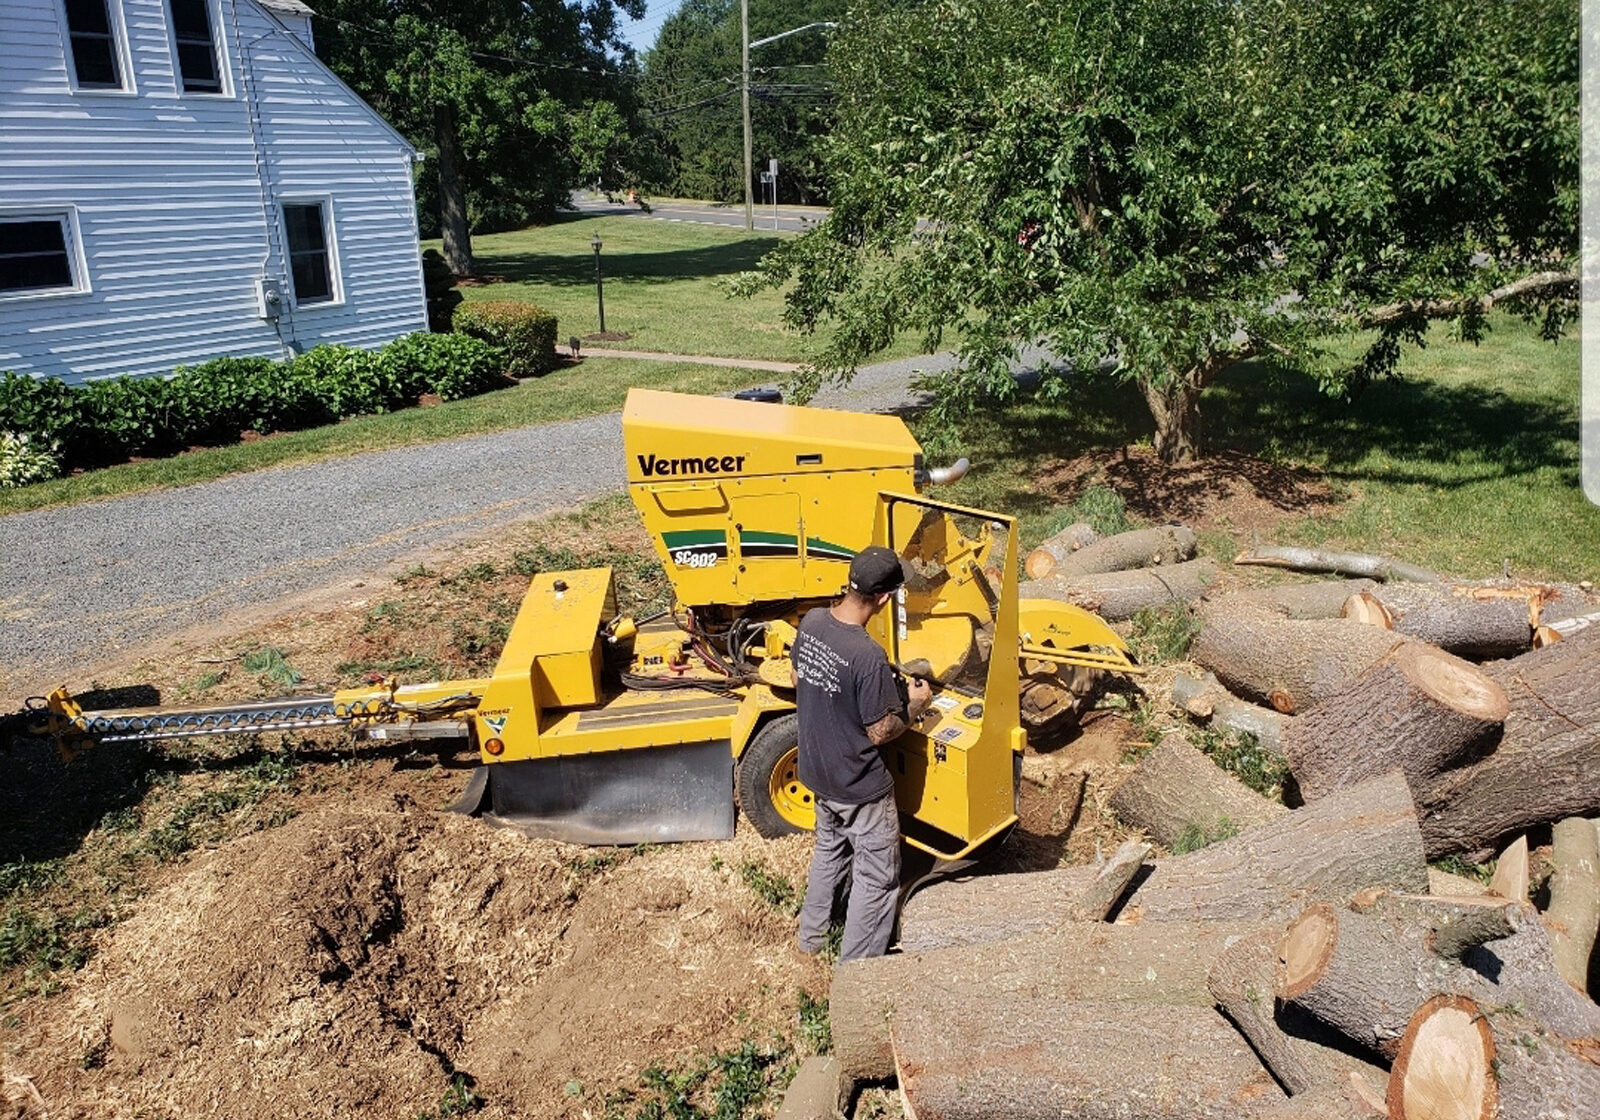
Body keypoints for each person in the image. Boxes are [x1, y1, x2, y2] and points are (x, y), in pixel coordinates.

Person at [793, 546, 932, 962]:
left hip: (818, 770)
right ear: (884, 599)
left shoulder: (813, 621)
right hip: (858, 786)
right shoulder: (868, 655)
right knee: (877, 878)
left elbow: (800, 676)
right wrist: (914, 705)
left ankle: (810, 942)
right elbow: (879, 730)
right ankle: (858, 978)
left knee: (830, 851)